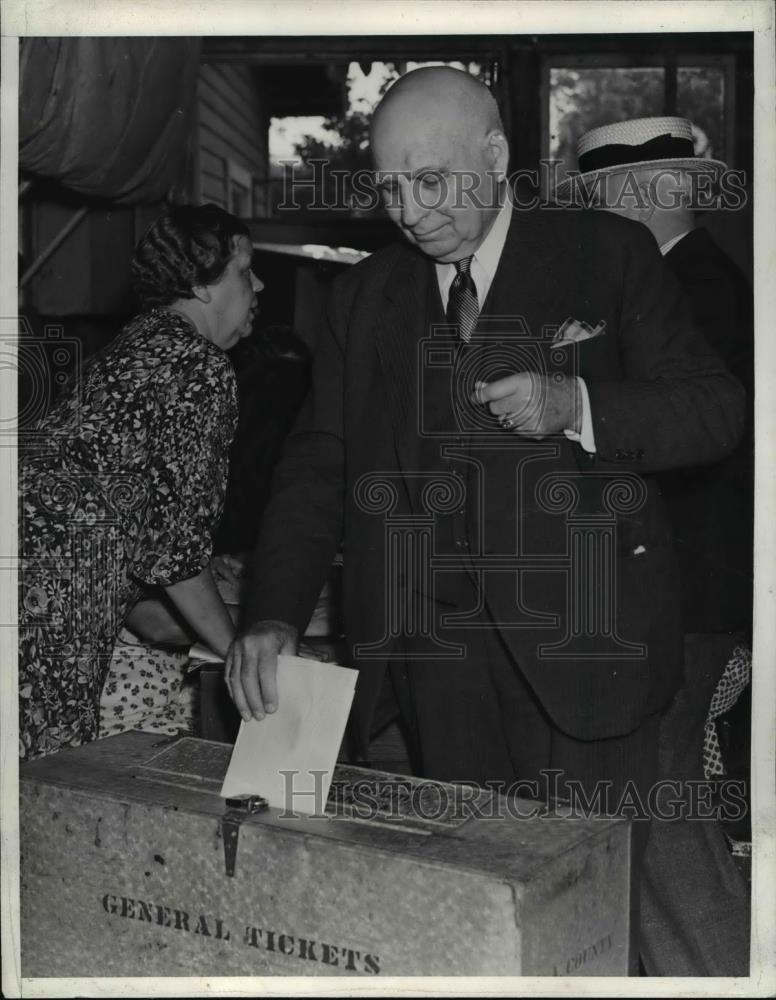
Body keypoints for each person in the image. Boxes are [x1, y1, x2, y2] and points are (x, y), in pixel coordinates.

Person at [226, 68, 744, 965]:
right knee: (479, 921)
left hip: (590, 657)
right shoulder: (364, 299)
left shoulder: (605, 254)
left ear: (496, 157)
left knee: (597, 920)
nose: (410, 213)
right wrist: (272, 613)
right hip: (439, 674)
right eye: (390, 189)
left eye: (432, 182)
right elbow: (318, 465)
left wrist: (577, 403)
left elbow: (715, 410)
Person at [555, 116, 753, 976]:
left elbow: (686, 450)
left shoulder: (695, 292)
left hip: (685, 597)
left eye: (600, 200)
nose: (592, 221)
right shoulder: (694, 282)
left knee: (658, 809)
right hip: (678, 592)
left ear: (647, 195)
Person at [19, 203, 263, 760]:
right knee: (53, 779)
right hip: (54, 614)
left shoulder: (132, 349)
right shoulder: (199, 368)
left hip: (27, 590)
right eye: (245, 270)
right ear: (202, 286)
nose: (259, 283)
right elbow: (172, 554)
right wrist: (237, 652)